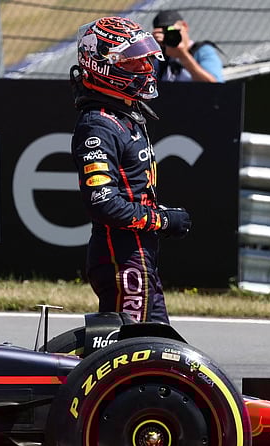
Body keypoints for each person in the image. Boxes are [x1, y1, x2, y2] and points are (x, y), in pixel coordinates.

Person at [71, 16, 192, 324]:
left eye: (145, 60)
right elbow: (104, 203)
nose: (147, 69)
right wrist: (162, 220)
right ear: (104, 66)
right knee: (137, 354)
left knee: (153, 349)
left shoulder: (124, 115)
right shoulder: (98, 125)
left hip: (137, 253)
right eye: (134, 63)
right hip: (122, 256)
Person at [151, 10, 224, 83]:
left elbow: (214, 85)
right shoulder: (162, 58)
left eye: (171, 30)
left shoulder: (202, 51)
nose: (169, 35)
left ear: (184, 26)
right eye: (164, 33)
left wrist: (183, 56)